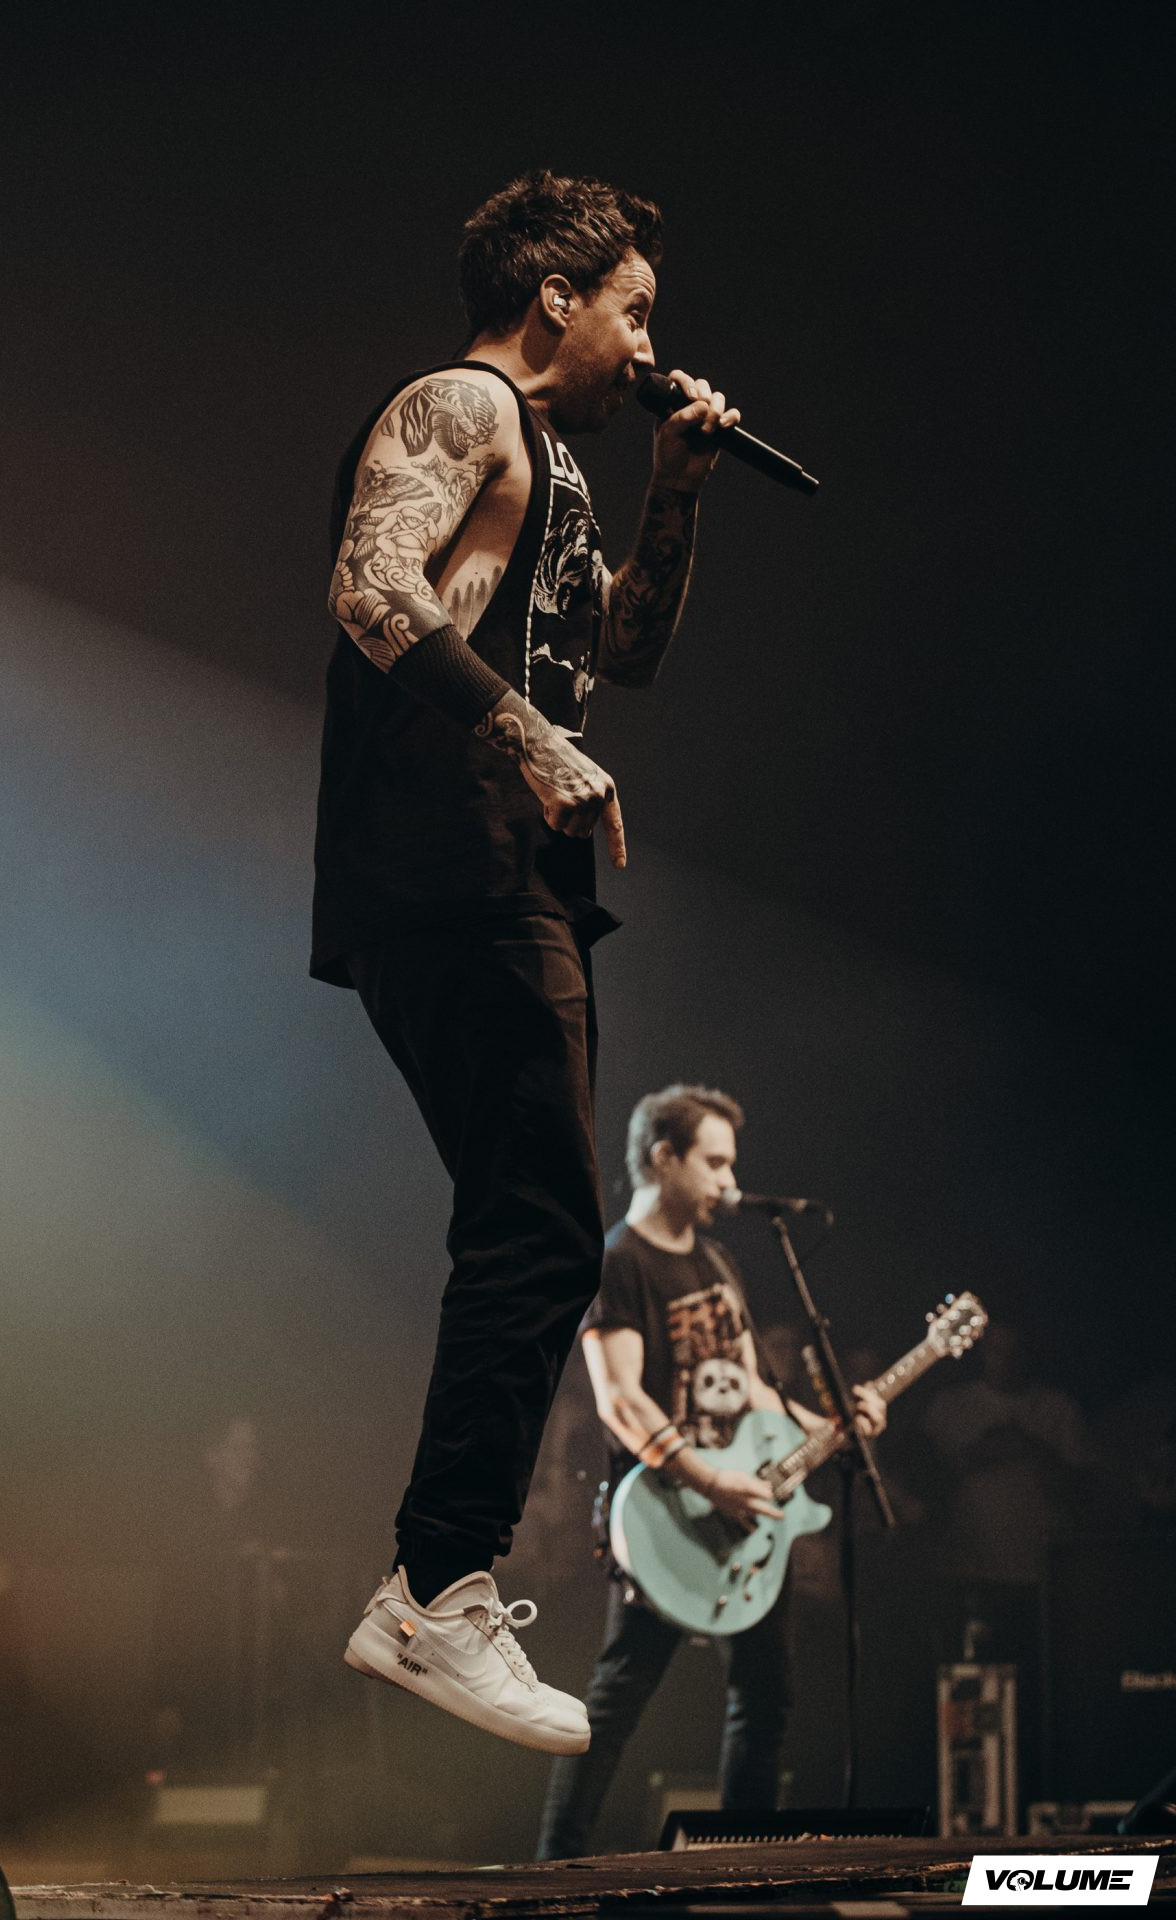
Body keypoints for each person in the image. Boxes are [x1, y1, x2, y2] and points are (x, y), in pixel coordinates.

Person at [313, 171, 743, 1758]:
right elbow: (369, 587)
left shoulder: (557, 457)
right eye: (635, 307)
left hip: (515, 873)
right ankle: (436, 1585)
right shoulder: (462, 405)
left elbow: (620, 651)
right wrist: (528, 738)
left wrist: (675, 488)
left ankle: (437, 1583)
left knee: (535, 1225)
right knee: (545, 1225)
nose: (650, 342)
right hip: (448, 859)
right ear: (556, 295)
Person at [536, 1084, 887, 1857]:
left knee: (765, 1702)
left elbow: (753, 1388)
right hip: (666, 1511)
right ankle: (555, 1867)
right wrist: (709, 1480)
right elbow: (621, 1400)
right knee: (616, 1701)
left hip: (744, 1513)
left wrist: (831, 1429)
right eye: (716, 1162)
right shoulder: (618, 1263)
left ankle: (742, 1865)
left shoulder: (718, 1261)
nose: (731, 1181)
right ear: (664, 1158)